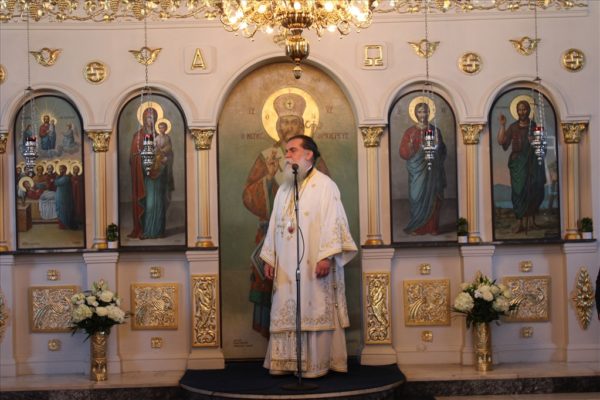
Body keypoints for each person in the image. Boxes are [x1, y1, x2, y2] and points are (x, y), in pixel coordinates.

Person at [260, 134, 357, 378]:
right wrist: (270, 258)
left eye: (292, 150)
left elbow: (334, 221)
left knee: (314, 306)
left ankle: (315, 365)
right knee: (286, 307)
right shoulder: (284, 188)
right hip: (286, 265)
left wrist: (326, 257)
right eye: (287, 151)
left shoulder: (325, 185)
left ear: (309, 154)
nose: (287, 155)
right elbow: (274, 224)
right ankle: (286, 364)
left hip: (314, 263)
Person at [243, 92, 329, 337]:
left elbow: (327, 210)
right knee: (274, 290)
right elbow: (249, 195)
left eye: (293, 122)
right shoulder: (266, 157)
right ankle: (276, 338)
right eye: (284, 122)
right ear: (277, 126)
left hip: (309, 243)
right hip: (274, 236)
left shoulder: (318, 172)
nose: (288, 127)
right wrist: (268, 179)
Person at [497, 100, 546, 233]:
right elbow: (502, 141)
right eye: (520, 109)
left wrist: (534, 141)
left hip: (532, 163)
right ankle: (520, 223)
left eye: (524, 109)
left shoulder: (534, 125)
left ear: (528, 111)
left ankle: (531, 222)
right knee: (518, 192)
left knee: (534, 190)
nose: (522, 112)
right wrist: (502, 125)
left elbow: (542, 146)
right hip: (518, 164)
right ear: (517, 111)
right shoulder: (513, 127)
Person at [399, 102, 447, 235]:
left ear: (429, 113)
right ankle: (417, 227)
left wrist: (438, 146)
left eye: (425, 112)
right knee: (416, 197)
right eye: (419, 112)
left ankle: (433, 228)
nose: (422, 115)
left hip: (433, 171)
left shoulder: (435, 130)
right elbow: (403, 152)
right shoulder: (410, 132)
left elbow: (442, 151)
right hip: (417, 171)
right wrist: (410, 148)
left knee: (434, 196)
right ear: (415, 113)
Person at [128, 107, 157, 239]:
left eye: (153, 117)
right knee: (144, 202)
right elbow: (133, 157)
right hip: (141, 174)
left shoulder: (159, 135)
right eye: (148, 117)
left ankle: (151, 230)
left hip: (154, 177)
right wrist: (142, 159)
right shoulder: (138, 136)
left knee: (152, 204)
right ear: (144, 119)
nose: (151, 120)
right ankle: (141, 229)